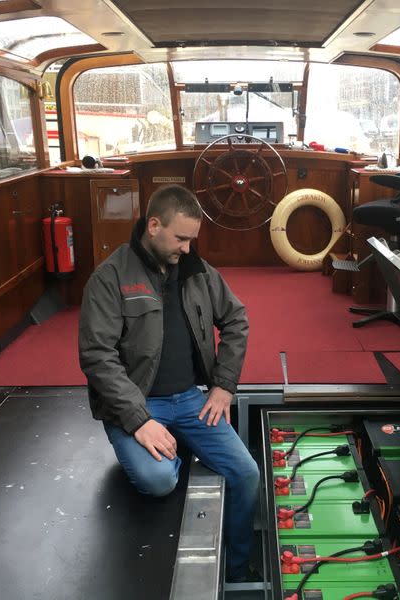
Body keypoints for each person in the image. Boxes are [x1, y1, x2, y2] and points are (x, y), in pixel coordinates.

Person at [78, 184, 260, 583]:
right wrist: (138, 420)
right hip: (138, 406)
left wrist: (224, 385)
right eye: (181, 238)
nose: (188, 248)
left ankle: (238, 565)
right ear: (154, 225)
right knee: (160, 481)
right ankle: (162, 451)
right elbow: (97, 356)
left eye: (192, 239)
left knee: (247, 474)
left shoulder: (196, 271)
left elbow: (236, 320)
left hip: (191, 400)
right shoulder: (110, 278)